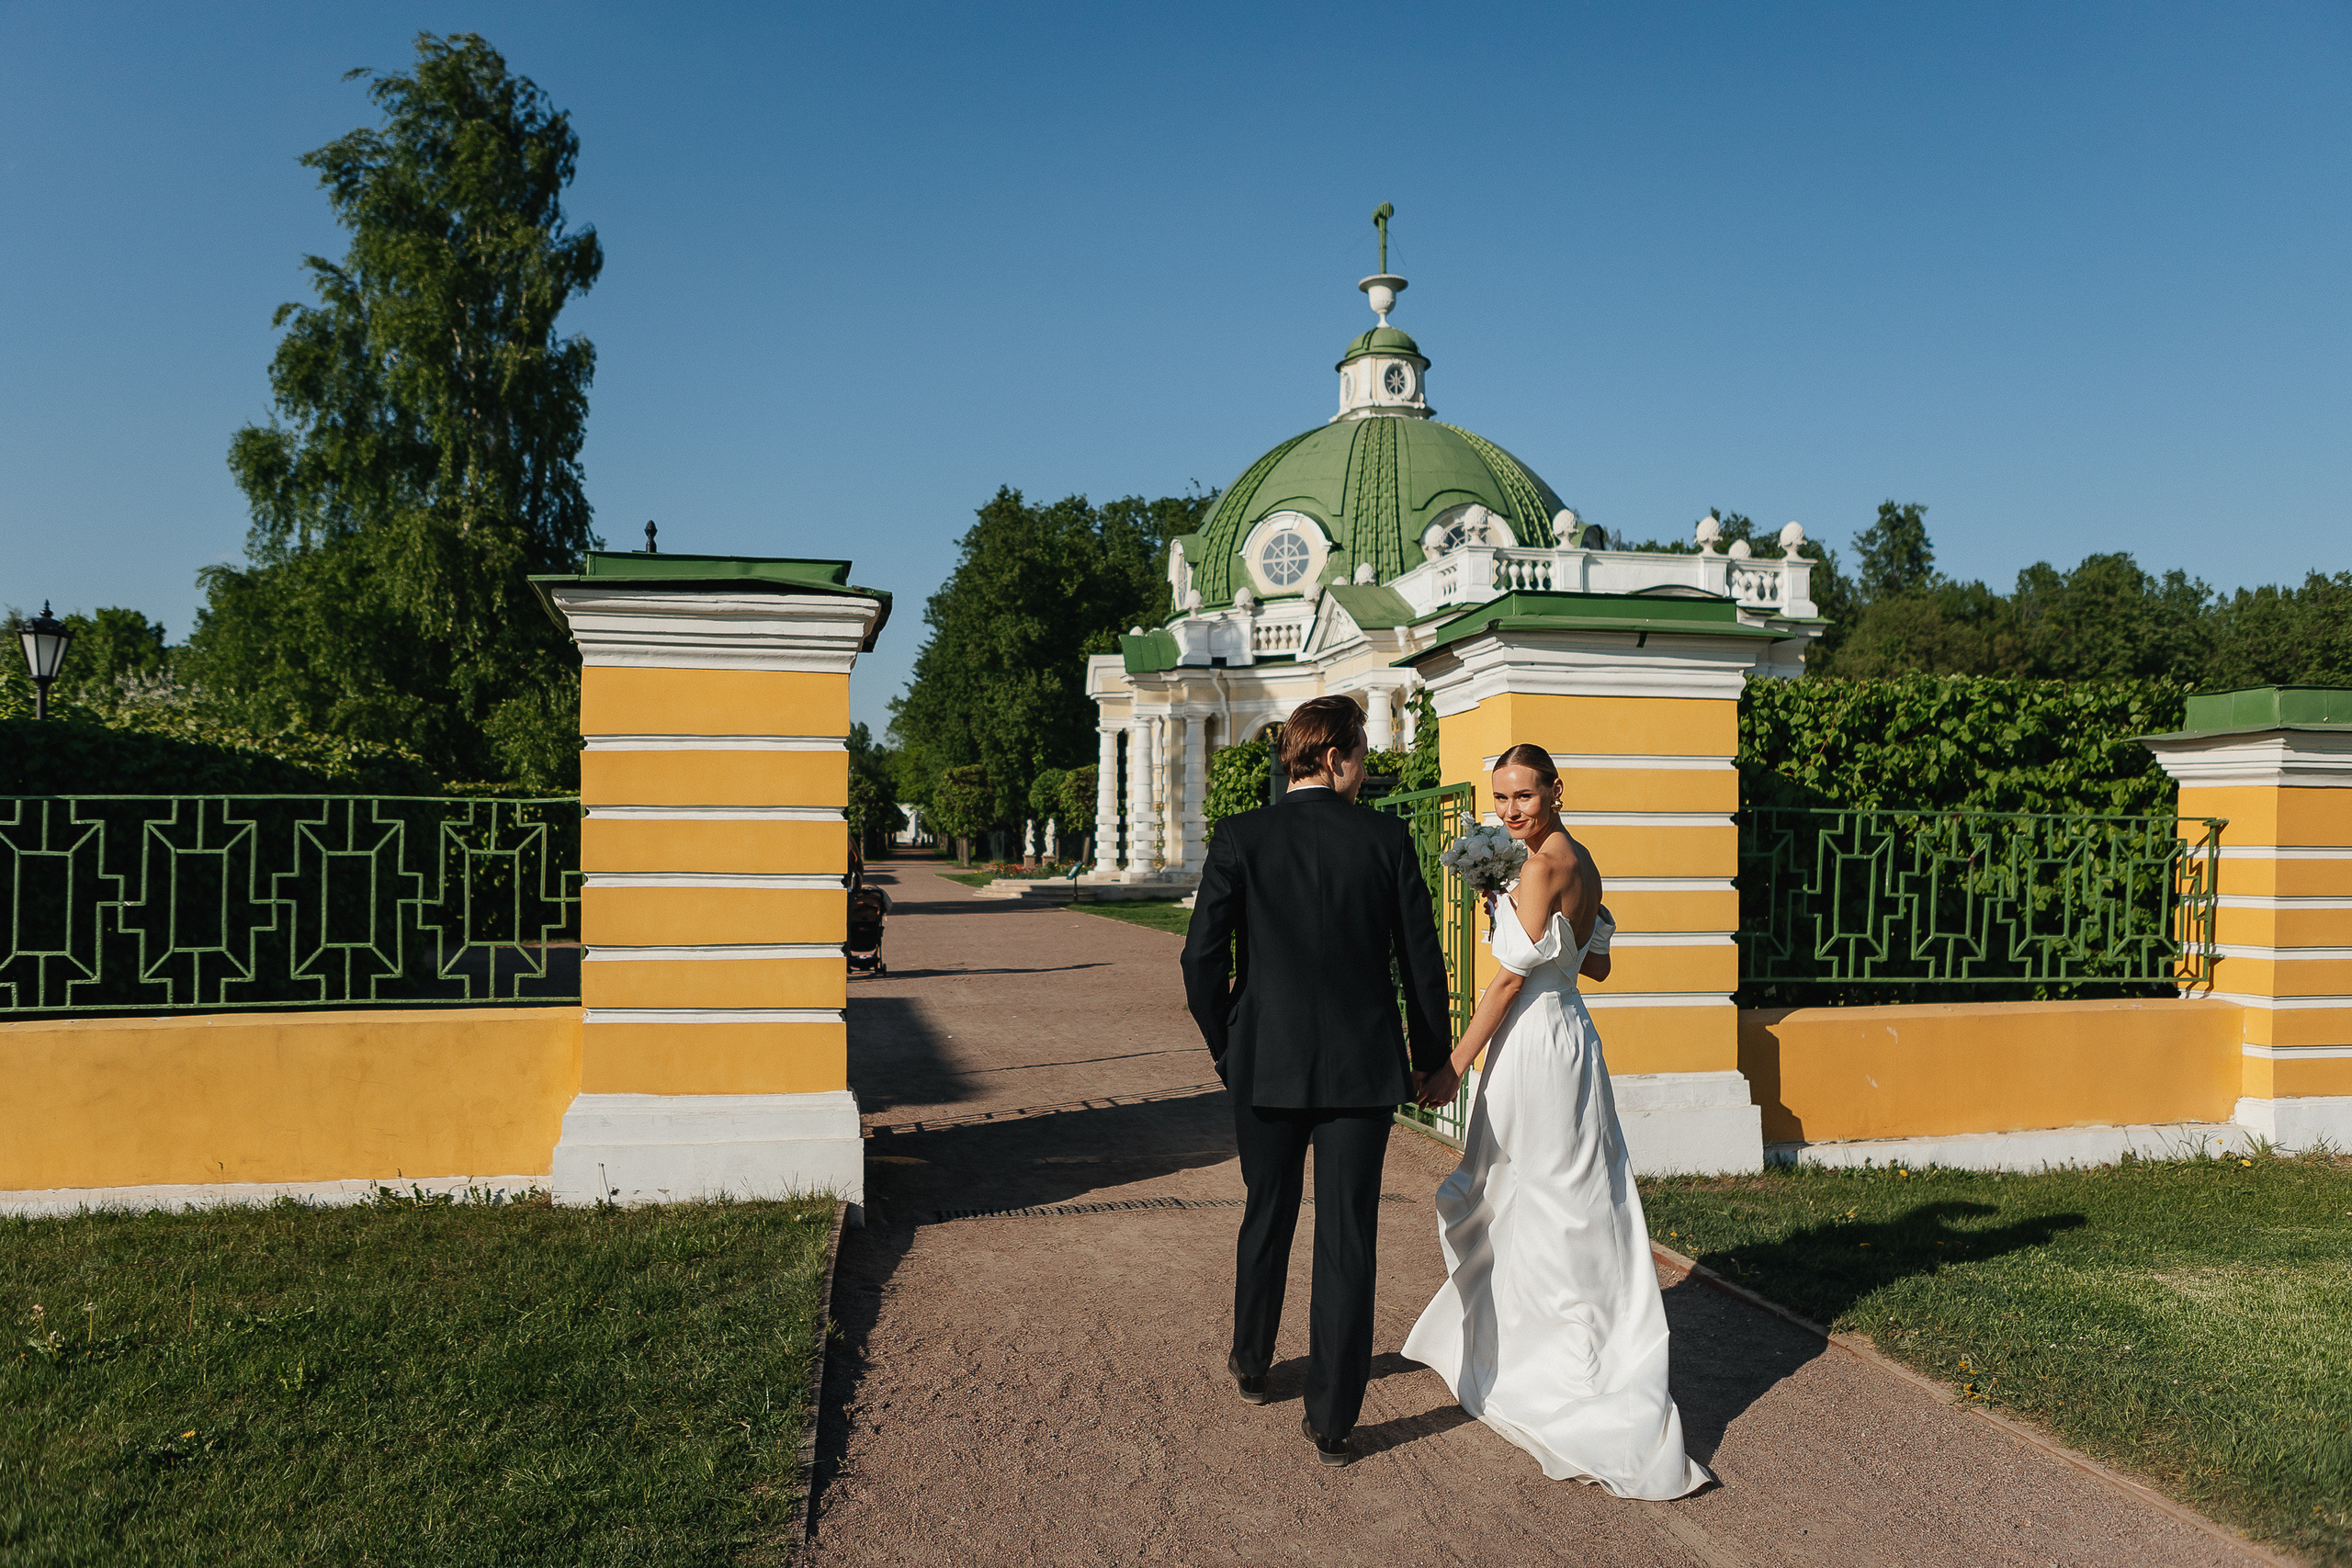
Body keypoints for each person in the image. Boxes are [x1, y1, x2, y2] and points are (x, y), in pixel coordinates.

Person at [1402, 743, 1711, 1499]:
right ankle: (1570, 1351)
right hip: (1572, 1035)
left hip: (1535, 1044)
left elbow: (1507, 981)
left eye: (1525, 797)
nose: (1511, 811)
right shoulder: (1582, 862)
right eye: (1501, 798)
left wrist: (1452, 1067)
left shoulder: (1539, 867)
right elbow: (1595, 963)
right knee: (1567, 1201)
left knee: (1533, 1197)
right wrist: (1510, 906)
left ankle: (1561, 1375)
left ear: (1555, 791)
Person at [1181, 696, 1451, 1468]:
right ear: (1335, 757)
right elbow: (1421, 962)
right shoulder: (1388, 837)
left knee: (1267, 1209)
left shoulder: (1241, 836)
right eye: (1362, 756)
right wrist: (1430, 1056)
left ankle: (1253, 1359)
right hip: (1364, 1070)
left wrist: (1226, 1042)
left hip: (1263, 1060)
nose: (1365, 771)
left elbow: (1200, 961)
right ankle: (1333, 1419)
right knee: (1347, 1234)